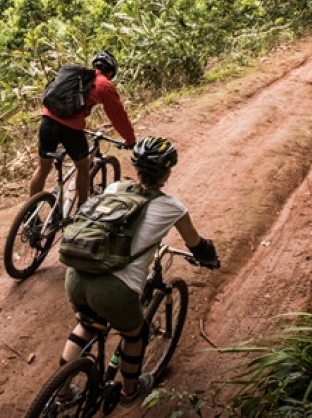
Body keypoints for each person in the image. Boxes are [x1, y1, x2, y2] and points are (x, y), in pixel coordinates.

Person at [57, 136, 220, 407]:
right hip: (113, 291)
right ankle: (129, 391)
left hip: (76, 273)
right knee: (135, 334)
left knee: (86, 325)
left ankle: (61, 393)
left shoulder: (115, 188)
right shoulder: (173, 208)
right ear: (167, 173)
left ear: (136, 168)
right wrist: (210, 259)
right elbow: (197, 245)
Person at [29, 50, 136, 206]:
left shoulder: (77, 78)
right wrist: (130, 139)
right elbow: (118, 116)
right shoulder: (104, 84)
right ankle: (82, 208)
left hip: (47, 121)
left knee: (43, 168)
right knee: (83, 167)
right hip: (70, 129)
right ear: (111, 71)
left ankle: (30, 214)